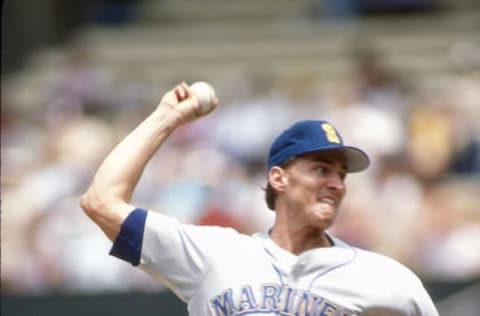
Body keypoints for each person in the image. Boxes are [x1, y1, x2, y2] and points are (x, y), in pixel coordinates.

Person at [81, 82, 439, 315]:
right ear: (278, 178)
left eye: (341, 175)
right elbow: (101, 200)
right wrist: (168, 118)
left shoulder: (387, 281)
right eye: (321, 170)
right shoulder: (214, 254)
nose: (336, 183)